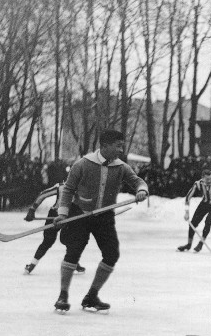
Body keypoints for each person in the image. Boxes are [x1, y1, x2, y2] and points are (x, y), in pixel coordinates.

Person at [52, 129, 149, 313]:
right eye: (118, 146)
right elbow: (68, 189)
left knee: (112, 254)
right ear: (104, 145)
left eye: (122, 146)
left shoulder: (121, 167)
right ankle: (63, 295)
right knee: (74, 251)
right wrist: (63, 214)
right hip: (80, 213)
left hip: (104, 216)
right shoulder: (82, 164)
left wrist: (142, 190)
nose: (121, 150)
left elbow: (138, 182)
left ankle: (91, 296)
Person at [23, 182, 85, 275]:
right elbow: (43, 194)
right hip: (55, 215)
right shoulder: (61, 186)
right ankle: (32, 265)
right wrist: (32, 210)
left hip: (69, 216)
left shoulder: (82, 187)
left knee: (69, 240)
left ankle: (73, 263)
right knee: (49, 241)